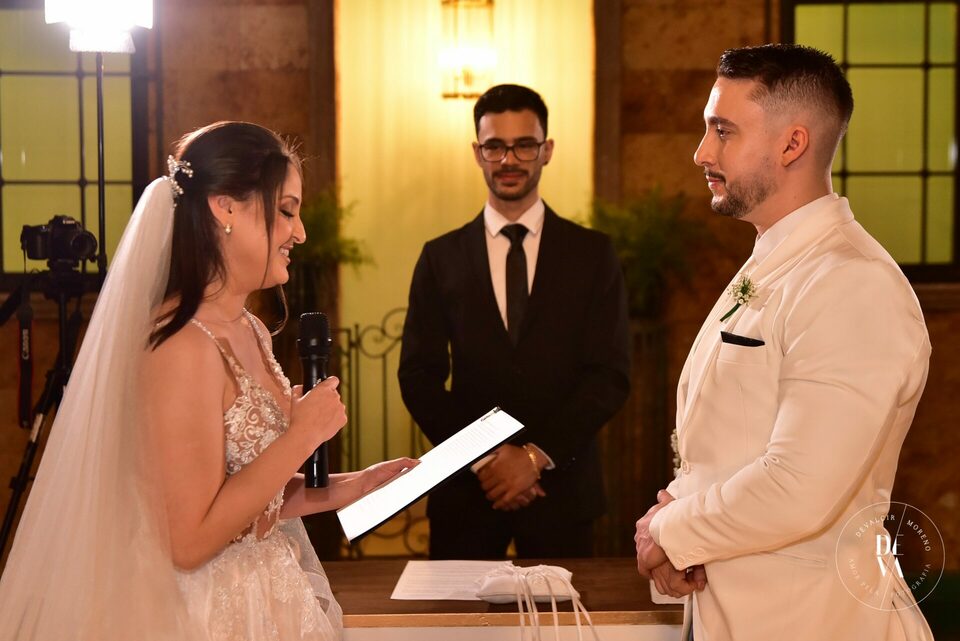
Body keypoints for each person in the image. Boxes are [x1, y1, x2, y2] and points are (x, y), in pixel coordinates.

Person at [0, 121, 414, 641]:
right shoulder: (181, 346)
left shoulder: (250, 329)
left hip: (268, 594)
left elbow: (247, 498)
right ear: (226, 208)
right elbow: (190, 540)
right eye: (287, 211)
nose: (301, 232)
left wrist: (350, 487)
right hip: (202, 611)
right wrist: (303, 435)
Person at [633, 45, 934, 640]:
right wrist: (673, 525)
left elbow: (800, 484)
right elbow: (728, 445)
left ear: (792, 144)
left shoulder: (853, 281)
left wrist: (670, 531)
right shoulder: (776, 260)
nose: (702, 153)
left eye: (723, 131)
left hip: (815, 621)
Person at [399, 84, 631, 559]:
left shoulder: (592, 254)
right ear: (477, 153)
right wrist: (487, 458)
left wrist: (534, 457)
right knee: (456, 612)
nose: (509, 160)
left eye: (524, 145)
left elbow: (609, 375)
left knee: (564, 611)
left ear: (547, 150)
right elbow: (418, 375)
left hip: (563, 492)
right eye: (495, 146)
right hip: (467, 493)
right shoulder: (440, 257)